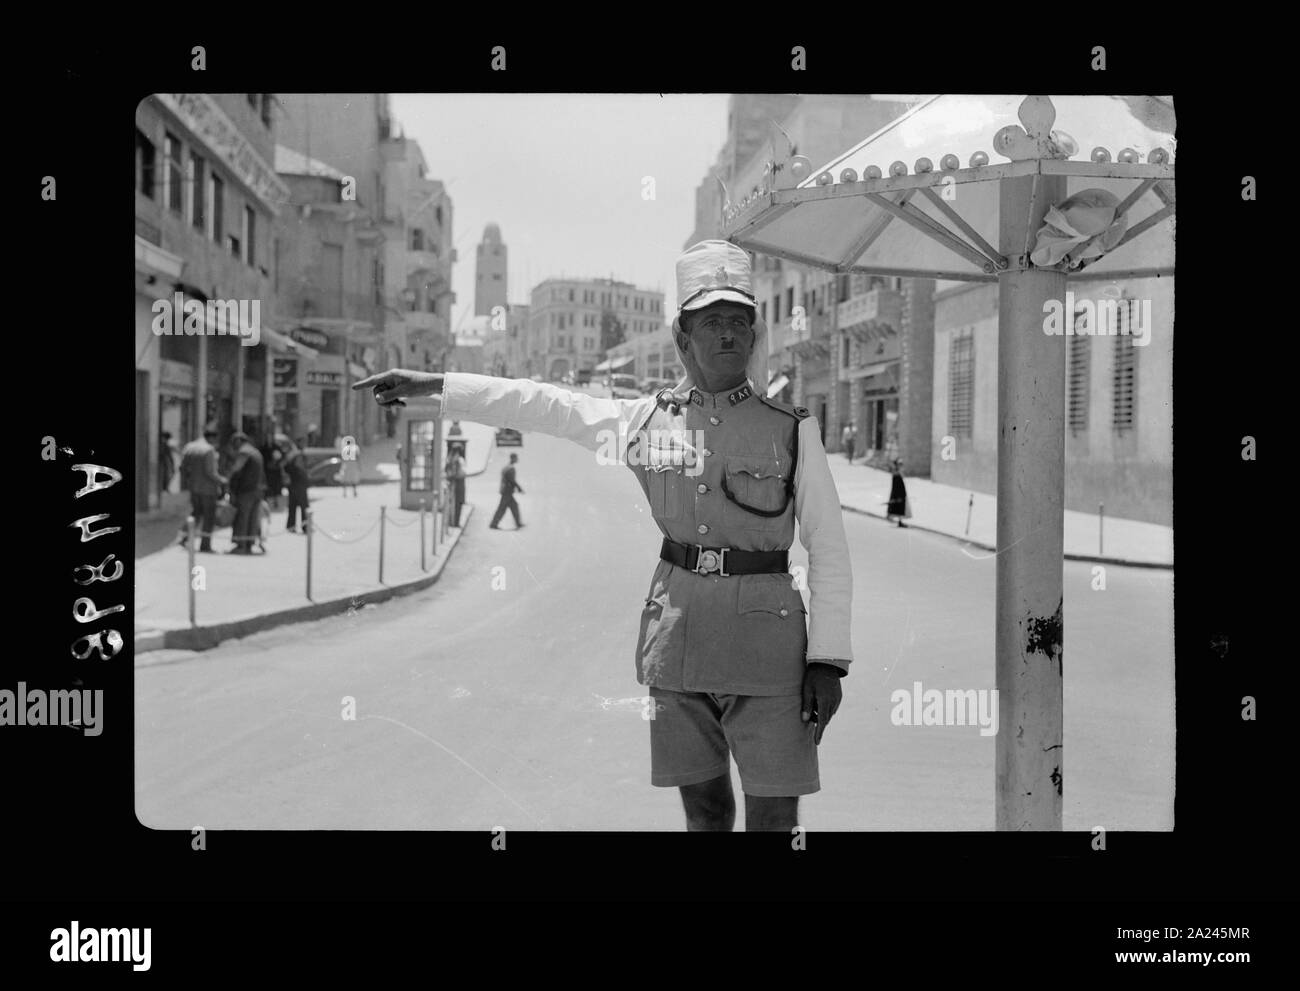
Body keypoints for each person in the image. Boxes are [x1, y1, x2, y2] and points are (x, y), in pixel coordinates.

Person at [354, 239, 853, 832]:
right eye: (712, 322)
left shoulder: (794, 431)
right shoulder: (643, 422)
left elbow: (828, 550)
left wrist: (827, 661)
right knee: (706, 814)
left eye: (739, 323)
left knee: (773, 822)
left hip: (771, 657)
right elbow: (546, 404)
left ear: (754, 333)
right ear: (681, 337)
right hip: (677, 648)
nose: (728, 335)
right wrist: (439, 386)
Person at [176, 424, 226, 553]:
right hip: (208, 490)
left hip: (194, 488)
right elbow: (210, 472)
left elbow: (182, 468)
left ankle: (183, 537)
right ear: (213, 438)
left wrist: (190, 481)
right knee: (209, 517)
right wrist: (222, 481)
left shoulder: (189, 447)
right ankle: (205, 544)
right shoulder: (209, 450)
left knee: (196, 514)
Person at [226, 432, 265, 554]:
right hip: (257, 490)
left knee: (242, 517)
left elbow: (236, 469)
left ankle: (241, 545)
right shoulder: (256, 452)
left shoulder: (244, 452)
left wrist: (228, 481)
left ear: (238, 441)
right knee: (253, 519)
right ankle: (249, 543)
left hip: (246, 490)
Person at [488, 453, 524, 530]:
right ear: (513, 458)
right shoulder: (511, 468)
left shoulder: (506, 467)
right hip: (507, 491)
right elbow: (512, 480)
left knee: (513, 506)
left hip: (506, 490)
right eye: (516, 458)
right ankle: (493, 524)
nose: (517, 459)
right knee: (502, 508)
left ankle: (518, 523)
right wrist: (519, 488)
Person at [282, 440, 311, 533]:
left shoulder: (290, 455)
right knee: (304, 506)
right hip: (299, 483)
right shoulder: (298, 455)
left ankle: (291, 526)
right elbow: (301, 469)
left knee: (292, 506)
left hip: (292, 484)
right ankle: (305, 526)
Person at [444, 443, 467, 528]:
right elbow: (462, 472)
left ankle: (451, 521)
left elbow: (446, 470)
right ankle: (456, 522)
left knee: (451, 503)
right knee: (458, 503)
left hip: (451, 482)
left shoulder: (449, 459)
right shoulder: (459, 459)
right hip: (459, 482)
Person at [886, 458, 911, 527]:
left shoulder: (898, 473)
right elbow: (895, 487)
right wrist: (898, 496)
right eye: (900, 464)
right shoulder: (896, 474)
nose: (901, 465)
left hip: (901, 494)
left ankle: (900, 521)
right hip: (898, 494)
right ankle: (897, 521)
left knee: (900, 509)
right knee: (897, 508)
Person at [262, 437, 284, 509]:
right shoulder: (264, 449)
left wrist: (276, 464)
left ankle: (276, 503)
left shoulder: (277, 448)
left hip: (275, 473)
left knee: (276, 489)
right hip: (268, 473)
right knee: (268, 490)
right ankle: (269, 505)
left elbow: (282, 459)